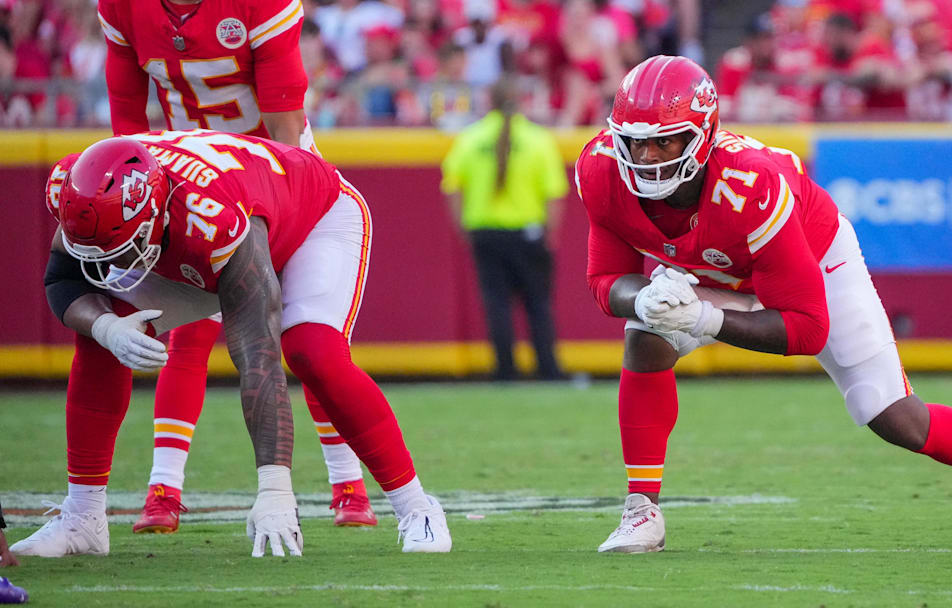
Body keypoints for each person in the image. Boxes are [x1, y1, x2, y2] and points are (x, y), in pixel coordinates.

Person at [576, 55, 952, 553]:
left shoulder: (750, 185)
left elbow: (807, 329)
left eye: (664, 140)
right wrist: (645, 297)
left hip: (814, 260)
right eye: (635, 140)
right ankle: (641, 510)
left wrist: (701, 317)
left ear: (703, 135)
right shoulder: (602, 169)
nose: (647, 156)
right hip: (716, 272)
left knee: (892, 415)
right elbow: (606, 279)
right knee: (647, 335)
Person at [11, 129, 451, 558]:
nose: (114, 262)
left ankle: (418, 508)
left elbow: (258, 351)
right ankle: (82, 517)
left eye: (122, 247)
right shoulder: (76, 189)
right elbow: (63, 277)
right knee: (99, 331)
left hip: (313, 217)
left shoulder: (211, 216)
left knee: (311, 351)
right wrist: (106, 326)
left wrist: (274, 487)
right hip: (202, 230)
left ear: (153, 214)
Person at [97, 0, 377, 532]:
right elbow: (126, 121)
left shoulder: (257, 5)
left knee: (307, 337)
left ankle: (347, 482)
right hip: (184, 174)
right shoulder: (124, 8)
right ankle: (163, 488)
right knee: (190, 333)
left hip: (274, 171)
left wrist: (272, 206)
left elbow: (286, 126)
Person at [441, 76, 569, 381]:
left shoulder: (471, 138)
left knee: (496, 303)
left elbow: (452, 186)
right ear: (521, 100)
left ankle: (505, 370)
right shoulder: (538, 140)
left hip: (485, 232)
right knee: (538, 303)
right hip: (528, 232)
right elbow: (554, 193)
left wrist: (463, 227)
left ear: (490, 101)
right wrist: (550, 233)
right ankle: (548, 369)